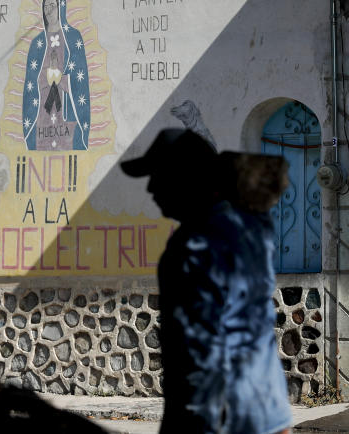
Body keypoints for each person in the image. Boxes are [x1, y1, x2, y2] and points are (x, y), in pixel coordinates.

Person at [121, 129, 292, 434]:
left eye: (157, 175)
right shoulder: (251, 227)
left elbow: (200, 357)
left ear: (185, 178)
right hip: (270, 410)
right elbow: (266, 178)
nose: (150, 188)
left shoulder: (192, 250)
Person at [22, 0, 91, 150]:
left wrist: (61, 79)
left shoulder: (73, 38)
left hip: (66, 114)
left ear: (61, 6)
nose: (48, 11)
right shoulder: (37, 43)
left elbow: (80, 80)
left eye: (52, 6)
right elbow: (30, 83)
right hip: (43, 116)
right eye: (45, 7)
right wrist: (45, 79)